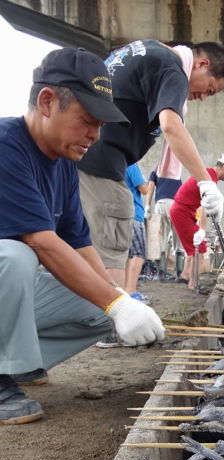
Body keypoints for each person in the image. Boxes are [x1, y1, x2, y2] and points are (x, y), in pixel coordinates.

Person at [0, 48, 165, 425]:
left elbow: (78, 243)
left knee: (100, 301)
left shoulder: (63, 165)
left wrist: (118, 298)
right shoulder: (6, 145)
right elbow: (41, 240)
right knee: (14, 256)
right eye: (88, 119)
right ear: (47, 101)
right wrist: (118, 303)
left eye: (102, 124)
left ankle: (14, 365)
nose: (96, 134)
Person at [78, 39, 224, 286]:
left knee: (79, 249)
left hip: (79, 158)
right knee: (110, 253)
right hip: (100, 164)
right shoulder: (173, 68)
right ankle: (107, 319)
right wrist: (206, 182)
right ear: (202, 64)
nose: (203, 97)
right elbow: (171, 125)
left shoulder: (147, 48)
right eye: (209, 89)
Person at [169, 153, 224, 288]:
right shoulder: (209, 178)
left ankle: (185, 277)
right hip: (182, 212)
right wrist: (202, 230)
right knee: (201, 250)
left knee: (192, 249)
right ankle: (193, 283)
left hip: (184, 211)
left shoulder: (208, 175)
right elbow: (204, 206)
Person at [143, 140, 183, 281]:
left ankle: (161, 274)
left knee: (162, 238)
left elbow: (150, 189)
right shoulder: (176, 174)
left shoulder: (155, 172)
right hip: (177, 206)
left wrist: (147, 207)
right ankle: (179, 274)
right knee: (178, 240)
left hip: (161, 203)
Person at [124, 163, 149, 302]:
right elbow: (144, 189)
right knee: (138, 254)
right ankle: (131, 291)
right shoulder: (132, 164)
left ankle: (125, 289)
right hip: (135, 214)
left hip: (122, 214)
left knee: (127, 255)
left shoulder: (116, 161)